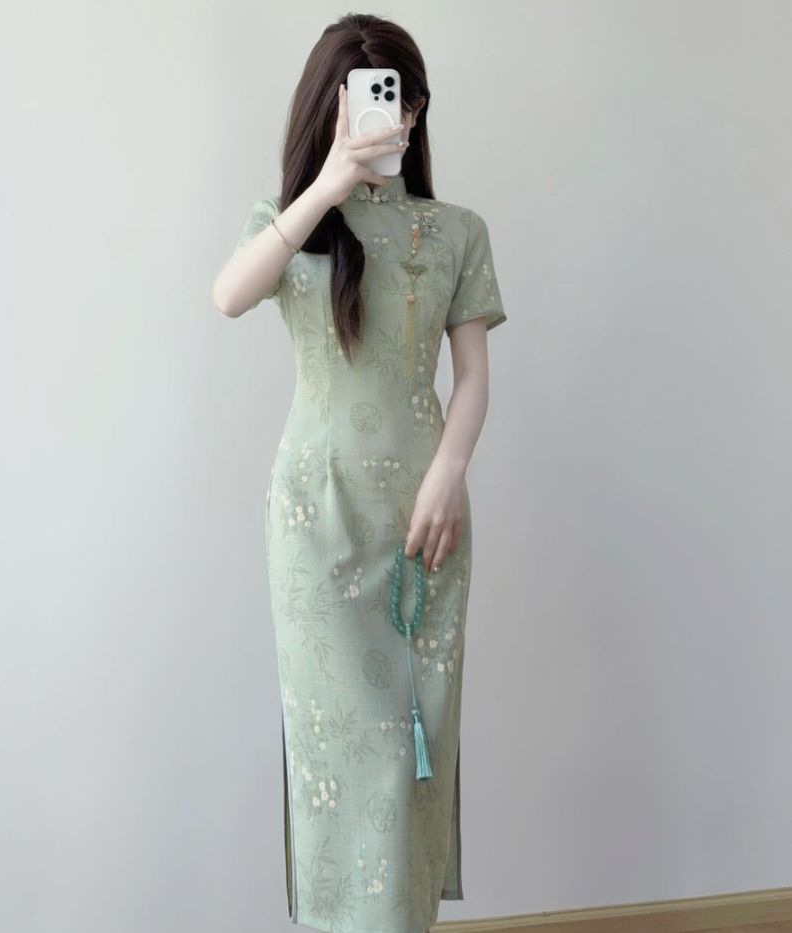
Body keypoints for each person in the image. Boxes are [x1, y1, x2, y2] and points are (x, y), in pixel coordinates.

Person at [211, 13, 506, 933]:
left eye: (406, 101)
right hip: (318, 522)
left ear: (418, 112)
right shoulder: (290, 225)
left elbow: (473, 381)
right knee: (341, 758)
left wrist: (450, 472)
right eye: (374, 100)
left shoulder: (456, 232)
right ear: (330, 109)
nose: (395, 117)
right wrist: (329, 183)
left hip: (426, 519)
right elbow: (228, 294)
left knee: (411, 752)